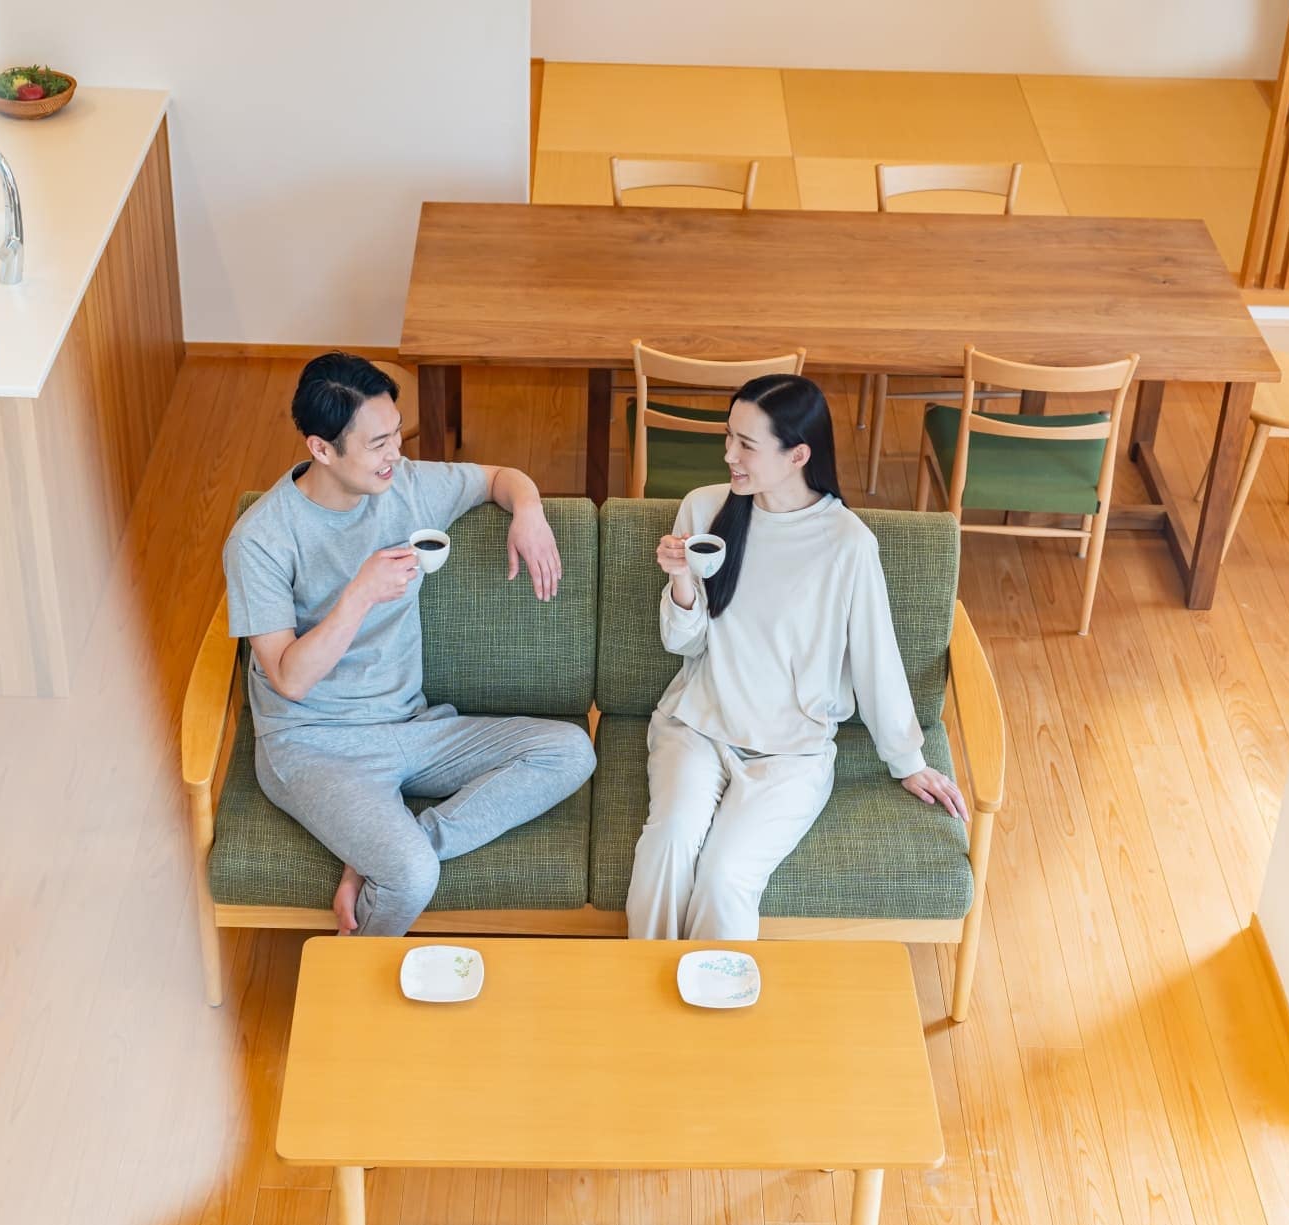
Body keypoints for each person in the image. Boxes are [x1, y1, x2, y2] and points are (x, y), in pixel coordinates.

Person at [225, 352, 596, 937]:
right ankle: (354, 972)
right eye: (378, 444)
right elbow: (289, 679)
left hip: (411, 727)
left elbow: (499, 477)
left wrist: (528, 510)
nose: (395, 453)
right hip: (312, 743)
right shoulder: (261, 539)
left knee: (570, 751)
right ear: (322, 449)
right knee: (411, 877)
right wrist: (359, 594)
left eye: (397, 433)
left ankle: (393, 847)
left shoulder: (407, 486)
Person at [627, 374, 968, 941]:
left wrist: (907, 760)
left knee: (725, 878)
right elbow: (683, 644)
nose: (728, 454)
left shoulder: (847, 544)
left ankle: (714, 997)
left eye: (746, 444)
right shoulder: (705, 509)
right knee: (666, 846)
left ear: (798, 456)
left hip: (790, 756)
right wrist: (681, 580)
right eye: (729, 436)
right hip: (696, 729)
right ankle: (642, 991)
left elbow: (876, 657)